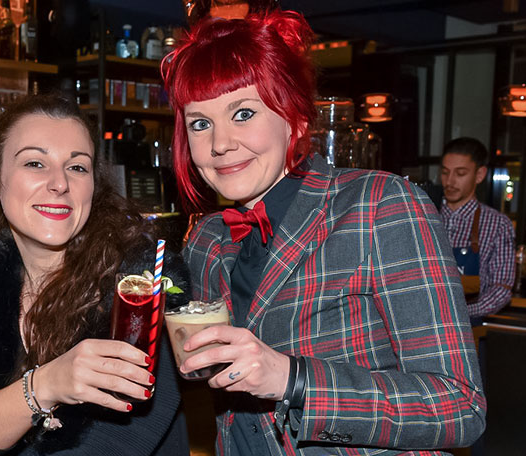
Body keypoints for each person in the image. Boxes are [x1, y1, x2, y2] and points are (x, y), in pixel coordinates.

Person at [162, 10, 486, 455]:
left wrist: (292, 378)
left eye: (242, 113)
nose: (219, 143)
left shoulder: (379, 205)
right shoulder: (207, 239)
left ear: (293, 119)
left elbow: (459, 407)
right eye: (201, 123)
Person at [0, 95, 190, 456]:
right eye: (35, 163)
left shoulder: (142, 287)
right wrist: (47, 384)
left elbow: (112, 446)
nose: (59, 184)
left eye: (77, 167)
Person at [440, 137, 515, 322]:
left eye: (460, 173)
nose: (449, 181)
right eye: (445, 172)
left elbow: (501, 290)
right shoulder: (424, 217)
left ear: (480, 175)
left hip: (469, 333)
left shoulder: (498, 224)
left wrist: (457, 313)